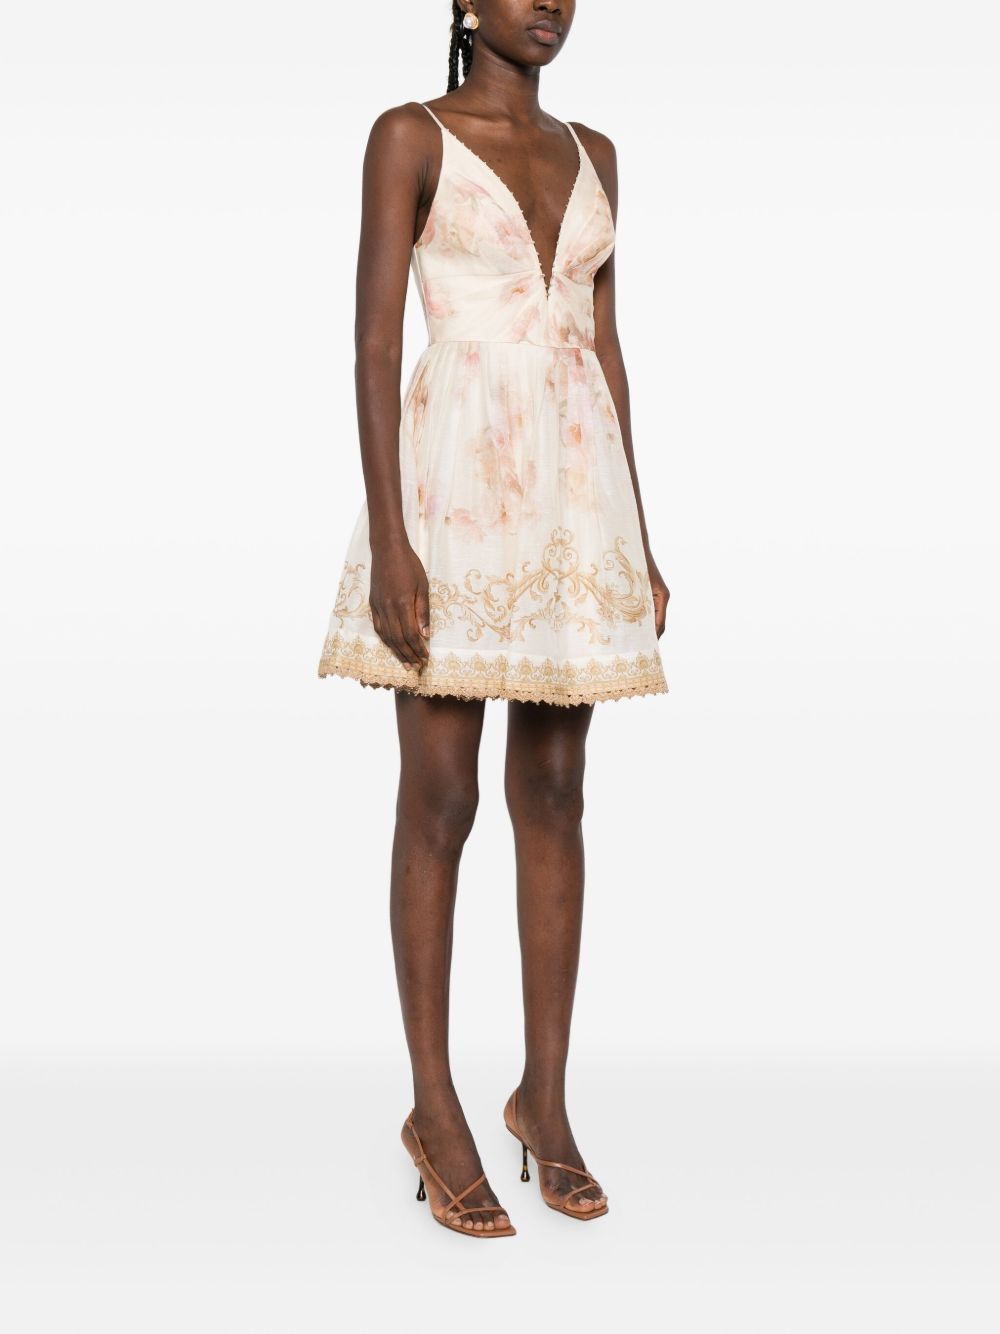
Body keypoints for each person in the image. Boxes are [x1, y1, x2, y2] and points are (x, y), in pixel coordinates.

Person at [318, 0, 669, 1237]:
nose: (549, 3)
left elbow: (604, 350)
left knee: (557, 791)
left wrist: (640, 532)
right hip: (453, 489)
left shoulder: (596, 153)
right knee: (440, 795)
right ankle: (434, 1105)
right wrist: (392, 538)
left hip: (577, 498)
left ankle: (544, 1099)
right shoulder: (407, 134)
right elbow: (373, 345)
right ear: (464, 0)